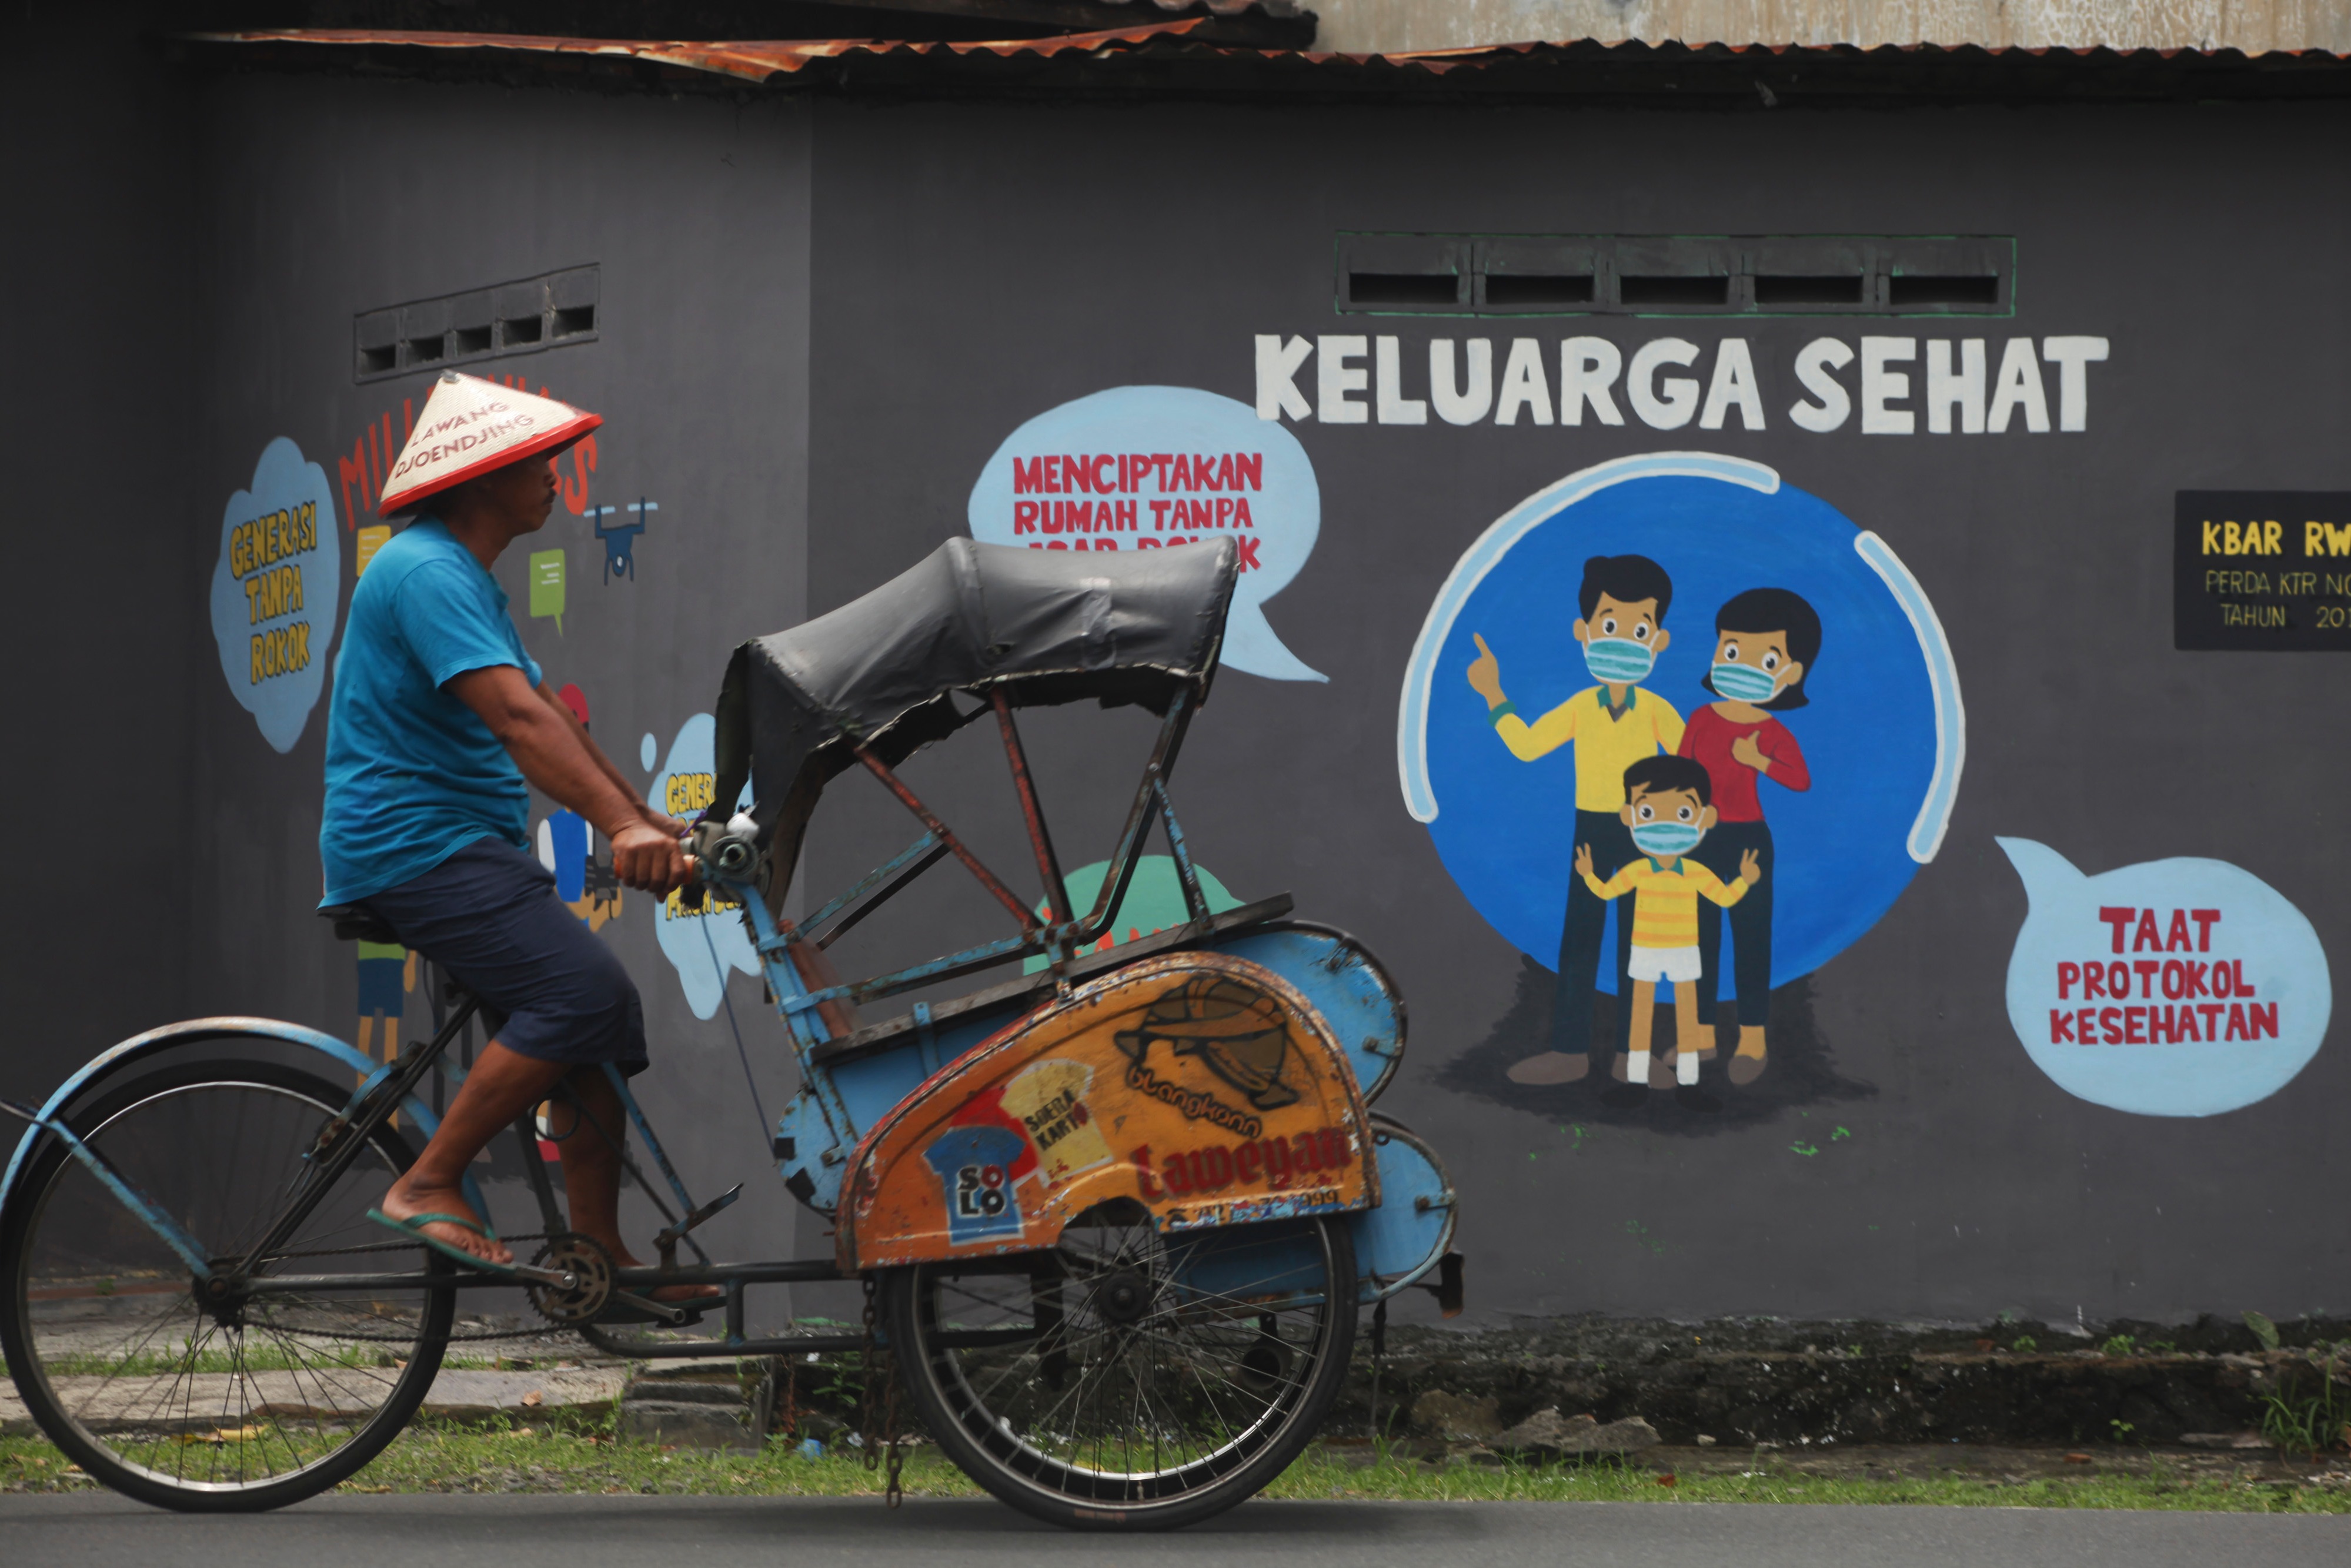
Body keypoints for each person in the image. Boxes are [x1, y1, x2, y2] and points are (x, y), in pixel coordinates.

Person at [319, 373, 709, 1299]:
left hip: (459, 842)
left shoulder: (463, 579)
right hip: (413, 843)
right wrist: (617, 823)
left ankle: (599, 1252)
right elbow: (517, 723)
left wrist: (652, 827)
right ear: (482, 476)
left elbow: (556, 722)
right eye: (537, 462)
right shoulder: (423, 570)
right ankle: (427, 1180)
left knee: (596, 1023)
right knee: (582, 990)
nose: (554, 478)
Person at [1465, 554, 1685, 1087]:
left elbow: (1692, 770)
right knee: (1581, 939)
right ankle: (1570, 1050)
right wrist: (1494, 693)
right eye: (1611, 626)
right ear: (1584, 632)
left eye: (1640, 629)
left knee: (1641, 944)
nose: (1624, 641)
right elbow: (1526, 745)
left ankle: (1635, 1055)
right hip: (1592, 832)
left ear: (1658, 641)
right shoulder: (1581, 708)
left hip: (1648, 837)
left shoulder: (1657, 709)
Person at [1677, 587, 1820, 1085]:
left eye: (1765, 656)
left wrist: (1757, 760)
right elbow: (1682, 777)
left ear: (1790, 673)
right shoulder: (1699, 718)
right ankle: (1700, 1032)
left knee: (1750, 939)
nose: (1739, 663)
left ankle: (1753, 1037)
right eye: (1731, 650)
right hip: (1700, 840)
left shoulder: (1772, 729)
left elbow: (1799, 778)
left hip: (1749, 842)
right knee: (1700, 938)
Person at [1572, 755, 1761, 1111]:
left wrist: (1744, 881)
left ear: (1705, 818)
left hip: (1683, 950)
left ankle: (1689, 1086)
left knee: (1688, 1019)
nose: (1662, 825)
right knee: (1639, 1016)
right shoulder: (1637, 870)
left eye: (1682, 814)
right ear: (1629, 816)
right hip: (1644, 948)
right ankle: (1636, 1083)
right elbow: (1606, 892)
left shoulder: (1694, 871)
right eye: (1648, 814)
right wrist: (1587, 875)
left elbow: (1722, 898)